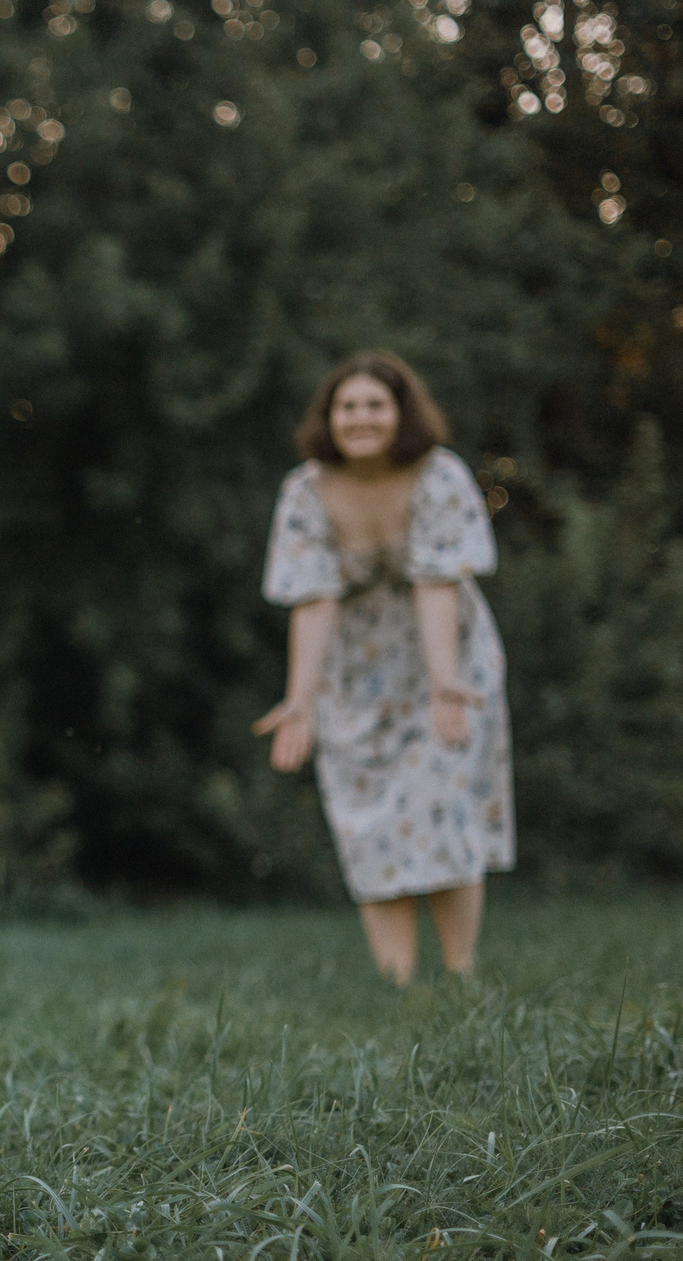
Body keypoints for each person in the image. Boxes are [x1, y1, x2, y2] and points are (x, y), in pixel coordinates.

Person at [252, 352, 512, 986]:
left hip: (443, 656)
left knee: (443, 808)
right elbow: (313, 599)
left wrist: (445, 684)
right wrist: (301, 702)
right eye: (347, 406)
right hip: (352, 669)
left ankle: (460, 980)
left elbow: (436, 587)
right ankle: (400, 989)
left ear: (401, 414)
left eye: (375, 405)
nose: (360, 418)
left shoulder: (439, 476)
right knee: (365, 818)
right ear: (329, 417)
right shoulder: (306, 489)